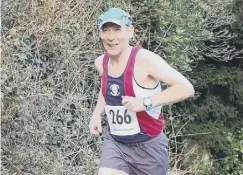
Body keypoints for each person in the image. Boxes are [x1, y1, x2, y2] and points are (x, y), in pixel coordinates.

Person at [89, 7, 195, 175]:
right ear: (100, 34)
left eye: (117, 30)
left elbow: (186, 88)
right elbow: (106, 90)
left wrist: (146, 102)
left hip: (149, 148)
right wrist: (96, 114)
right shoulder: (101, 62)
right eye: (106, 30)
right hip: (116, 144)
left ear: (130, 32)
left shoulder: (145, 60)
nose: (111, 37)